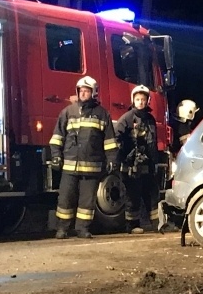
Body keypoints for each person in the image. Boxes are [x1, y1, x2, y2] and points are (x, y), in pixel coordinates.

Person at [50, 76, 118, 239]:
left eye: (86, 91)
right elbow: (57, 137)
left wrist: (112, 160)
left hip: (92, 166)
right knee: (65, 198)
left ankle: (82, 229)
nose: (83, 93)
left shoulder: (102, 114)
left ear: (93, 93)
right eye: (81, 91)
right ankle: (62, 229)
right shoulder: (67, 112)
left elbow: (109, 141)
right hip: (70, 166)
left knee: (87, 203)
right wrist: (56, 156)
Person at [115, 85, 160, 234]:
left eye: (143, 99)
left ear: (148, 101)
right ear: (133, 101)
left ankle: (157, 224)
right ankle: (132, 225)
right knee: (132, 196)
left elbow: (153, 142)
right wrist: (124, 153)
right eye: (138, 99)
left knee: (151, 195)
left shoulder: (150, 119)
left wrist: (154, 162)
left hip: (148, 163)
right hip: (131, 166)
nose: (140, 102)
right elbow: (116, 136)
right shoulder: (127, 118)